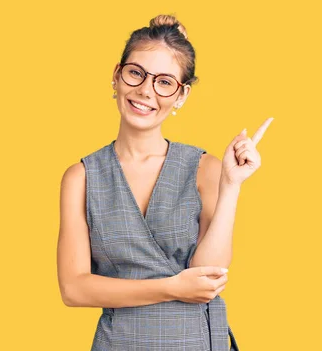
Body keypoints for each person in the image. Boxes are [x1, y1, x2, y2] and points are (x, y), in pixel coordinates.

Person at [57, 14, 273, 351]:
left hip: (198, 342)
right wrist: (172, 288)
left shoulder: (205, 168)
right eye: (136, 73)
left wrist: (231, 185)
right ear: (116, 75)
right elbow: (74, 289)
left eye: (164, 82)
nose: (145, 90)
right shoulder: (81, 177)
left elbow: (208, 275)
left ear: (181, 95)